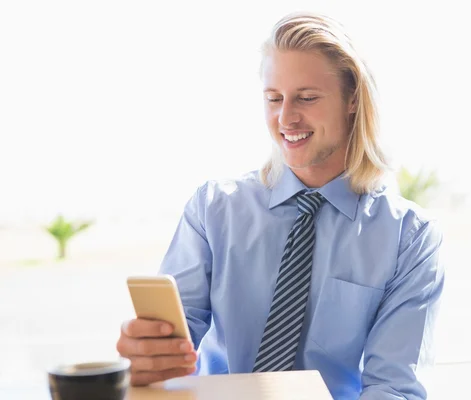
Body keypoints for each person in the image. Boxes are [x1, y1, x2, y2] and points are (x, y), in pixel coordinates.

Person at [117, 12, 445, 400]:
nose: (285, 117)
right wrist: (148, 355)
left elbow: (393, 387)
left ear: (353, 99)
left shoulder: (408, 237)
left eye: (306, 98)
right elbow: (173, 345)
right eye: (274, 98)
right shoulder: (213, 210)